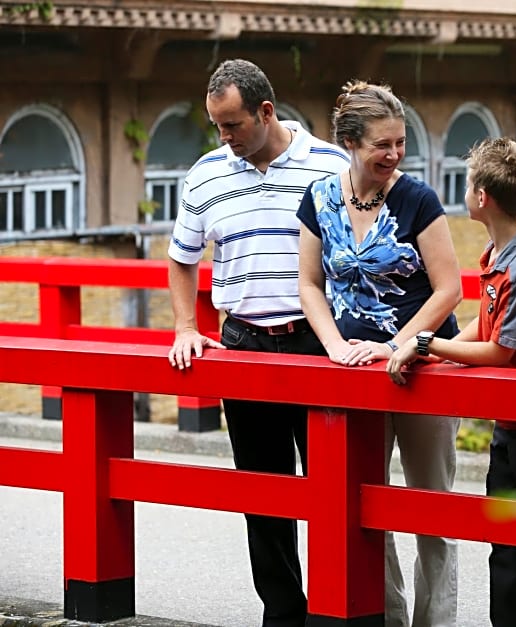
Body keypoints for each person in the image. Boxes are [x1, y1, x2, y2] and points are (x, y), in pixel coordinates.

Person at [166, 58, 349, 627]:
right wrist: (185, 328)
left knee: (334, 489)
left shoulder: (330, 166)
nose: (224, 137)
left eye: (233, 125)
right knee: (263, 493)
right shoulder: (205, 173)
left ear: (266, 112)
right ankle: (283, 614)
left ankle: (337, 607)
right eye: (216, 126)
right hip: (243, 343)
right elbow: (180, 259)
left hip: (318, 343)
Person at [386, 137, 516, 627]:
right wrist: (438, 351)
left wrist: (428, 345)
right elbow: (483, 325)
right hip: (510, 417)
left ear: (481, 198)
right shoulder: (497, 252)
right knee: (506, 539)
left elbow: (500, 351)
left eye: (470, 182)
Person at [296, 80, 462, 627]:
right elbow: (310, 285)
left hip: (422, 367)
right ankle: (382, 616)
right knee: (364, 505)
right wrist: (335, 347)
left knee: (431, 505)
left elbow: (449, 289)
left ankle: (434, 621)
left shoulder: (418, 199)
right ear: (349, 141)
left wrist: (398, 345)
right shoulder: (319, 199)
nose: (393, 155)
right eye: (381, 144)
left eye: (400, 143)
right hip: (353, 372)